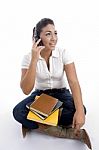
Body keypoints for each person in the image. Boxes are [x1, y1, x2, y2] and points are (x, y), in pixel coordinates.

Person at [13, 18, 92, 149]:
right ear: (37, 38)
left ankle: (37, 121)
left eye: (55, 33)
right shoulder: (28, 58)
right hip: (41, 96)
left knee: (81, 109)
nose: (54, 38)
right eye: (48, 34)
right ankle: (67, 132)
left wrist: (79, 112)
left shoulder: (63, 53)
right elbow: (26, 90)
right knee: (18, 112)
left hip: (61, 94)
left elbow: (74, 82)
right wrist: (34, 60)